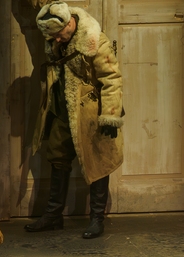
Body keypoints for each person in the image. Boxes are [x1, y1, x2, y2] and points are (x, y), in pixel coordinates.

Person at [26, 1, 124, 239]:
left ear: (70, 22)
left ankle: (97, 219)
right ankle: (53, 215)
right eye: (53, 37)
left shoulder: (95, 40)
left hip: (89, 113)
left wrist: (110, 115)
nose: (57, 40)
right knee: (57, 157)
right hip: (61, 109)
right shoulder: (55, 38)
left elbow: (111, 78)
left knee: (98, 161)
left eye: (59, 34)